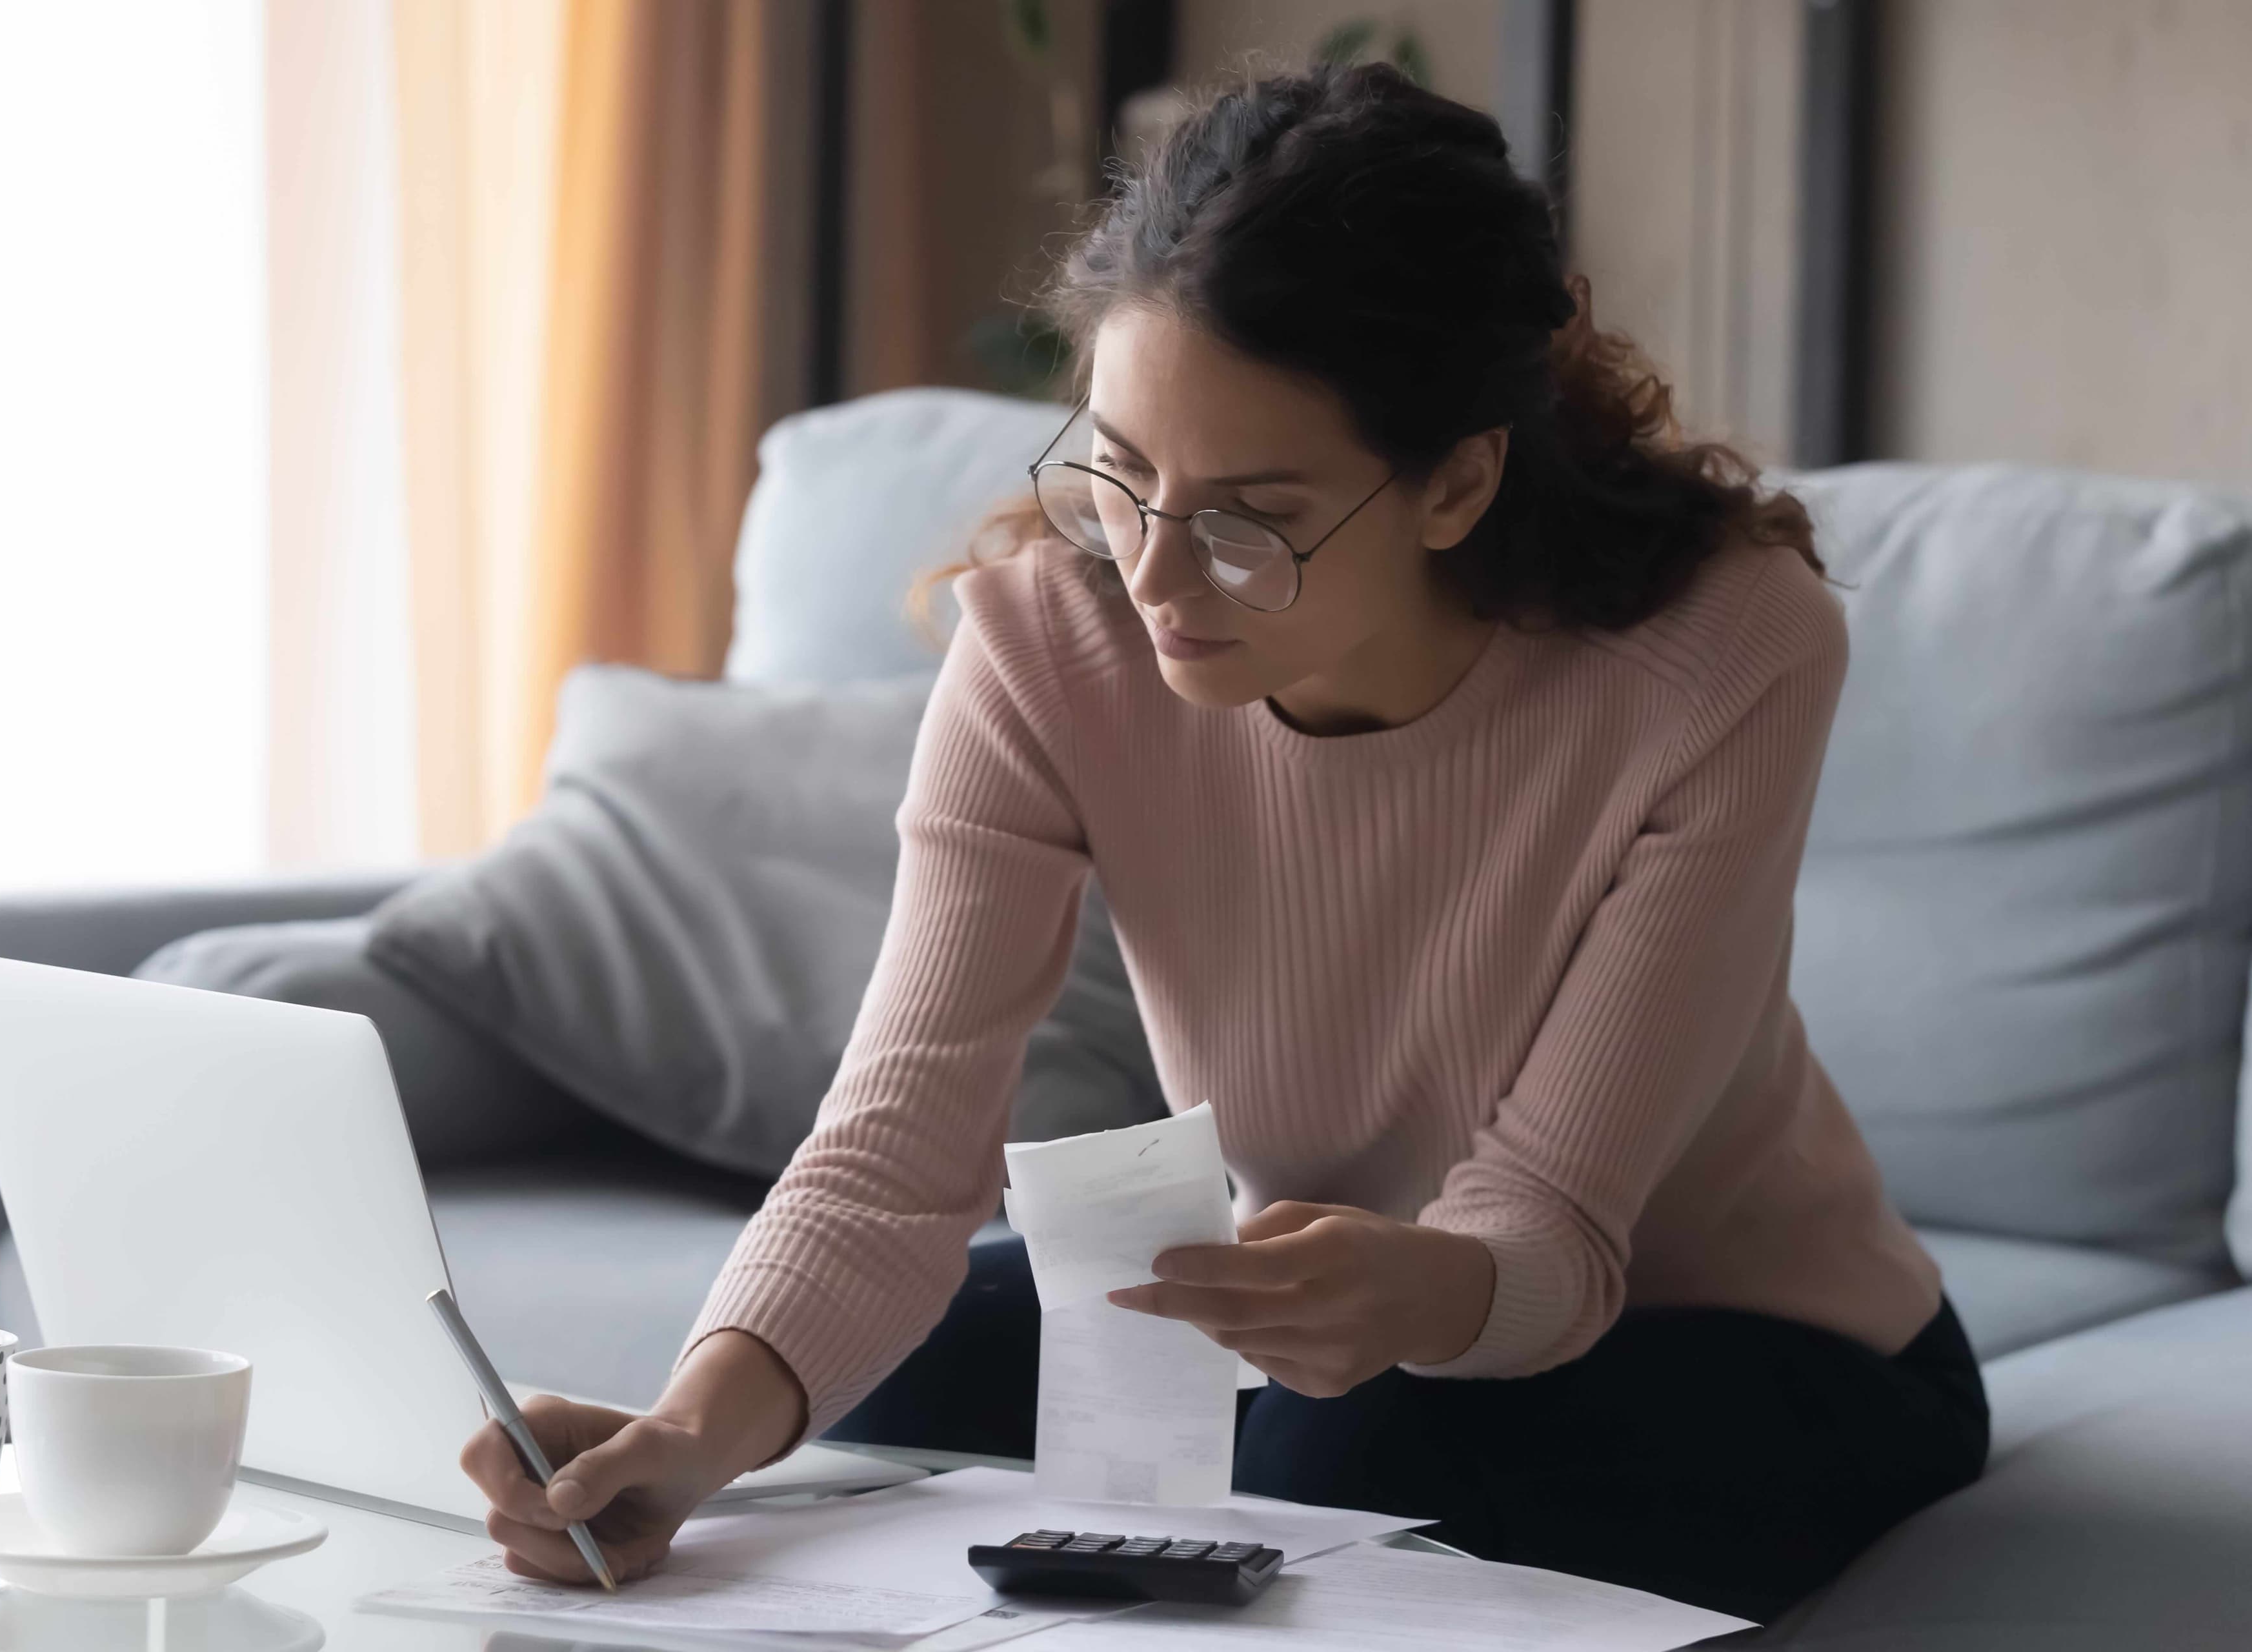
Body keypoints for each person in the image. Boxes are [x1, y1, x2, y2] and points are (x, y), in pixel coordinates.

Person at [462, 61, 1987, 1624]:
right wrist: (687, 1435)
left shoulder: (1718, 652)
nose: (1158, 575)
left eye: (1253, 515)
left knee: (1354, 1442)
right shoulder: (1055, 647)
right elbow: (897, 1152)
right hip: (1320, 1309)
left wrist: (1414, 1289)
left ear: (1456, 479)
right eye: (1122, 476)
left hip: (1741, 1327)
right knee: (891, 1380)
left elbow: (1553, 1222)